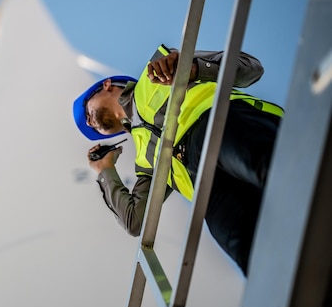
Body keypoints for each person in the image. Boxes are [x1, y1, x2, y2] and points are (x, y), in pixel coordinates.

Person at [72, 44, 283, 275]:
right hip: (205, 188)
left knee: (276, 172)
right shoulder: (144, 159)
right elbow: (135, 221)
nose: (89, 123)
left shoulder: (160, 67)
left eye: (86, 111)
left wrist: (193, 68)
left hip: (218, 122)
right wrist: (105, 170)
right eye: (90, 129)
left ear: (106, 85)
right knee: (250, 253)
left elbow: (251, 68)